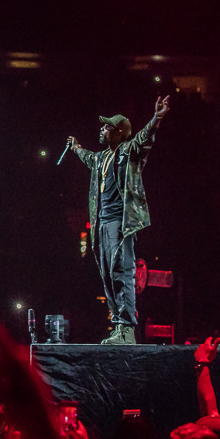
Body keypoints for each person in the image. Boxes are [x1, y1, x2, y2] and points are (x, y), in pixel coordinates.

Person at [67, 96, 170, 344]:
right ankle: (119, 326)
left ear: (119, 132)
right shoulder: (102, 158)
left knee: (122, 272)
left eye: (107, 127)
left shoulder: (127, 152)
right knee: (107, 274)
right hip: (101, 224)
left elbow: (144, 139)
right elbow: (88, 158)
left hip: (120, 223)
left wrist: (156, 118)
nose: (102, 129)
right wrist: (76, 147)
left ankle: (127, 328)